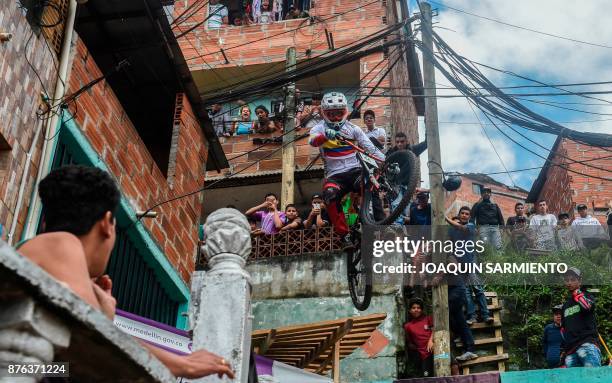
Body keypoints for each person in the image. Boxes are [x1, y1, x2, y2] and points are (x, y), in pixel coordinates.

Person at [17, 165, 234, 379]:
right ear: (107, 224)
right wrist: (183, 364)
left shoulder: (42, 251)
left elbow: (54, 364)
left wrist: (103, 318)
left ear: (45, 222)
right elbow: (92, 337)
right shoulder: (61, 243)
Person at [308, 92, 384, 245]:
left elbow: (370, 147)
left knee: (369, 182)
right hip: (335, 176)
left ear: (345, 112)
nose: (336, 117)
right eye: (331, 113)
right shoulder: (318, 128)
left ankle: (376, 220)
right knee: (329, 194)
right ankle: (343, 234)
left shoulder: (353, 128)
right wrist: (324, 137)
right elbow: (312, 141)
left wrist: (385, 161)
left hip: (355, 170)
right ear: (324, 113)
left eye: (339, 113)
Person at [446, 206, 493, 325]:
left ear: (469, 217)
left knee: (477, 288)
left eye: (467, 214)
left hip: (471, 261)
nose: (464, 215)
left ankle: (485, 315)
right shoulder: (451, 230)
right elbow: (450, 244)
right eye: (462, 213)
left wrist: (445, 218)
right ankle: (472, 316)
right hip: (460, 264)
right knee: (466, 291)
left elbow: (460, 227)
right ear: (459, 214)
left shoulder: (471, 226)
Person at [431, 254, 478, 362]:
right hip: (450, 291)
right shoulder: (430, 259)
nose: (427, 247)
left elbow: (454, 266)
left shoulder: (447, 255)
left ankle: (462, 339)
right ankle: (469, 348)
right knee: (459, 319)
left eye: (429, 245)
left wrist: (440, 276)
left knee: (445, 312)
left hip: (457, 289)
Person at [560, 267, 601, 368]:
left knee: (593, 378)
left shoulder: (588, 296)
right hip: (571, 352)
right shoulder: (565, 306)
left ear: (580, 281)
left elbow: (586, 307)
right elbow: (564, 329)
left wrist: (578, 294)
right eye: (567, 280)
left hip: (587, 345)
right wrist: (565, 352)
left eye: (573, 280)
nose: (569, 283)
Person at [403, 298, 434, 377]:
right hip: (424, 355)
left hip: (436, 348)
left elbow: (435, 330)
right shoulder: (408, 326)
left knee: (453, 365)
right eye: (413, 308)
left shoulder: (428, 319)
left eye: (418, 308)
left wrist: (430, 340)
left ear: (422, 310)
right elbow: (410, 343)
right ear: (410, 311)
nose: (416, 310)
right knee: (427, 377)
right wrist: (419, 350)